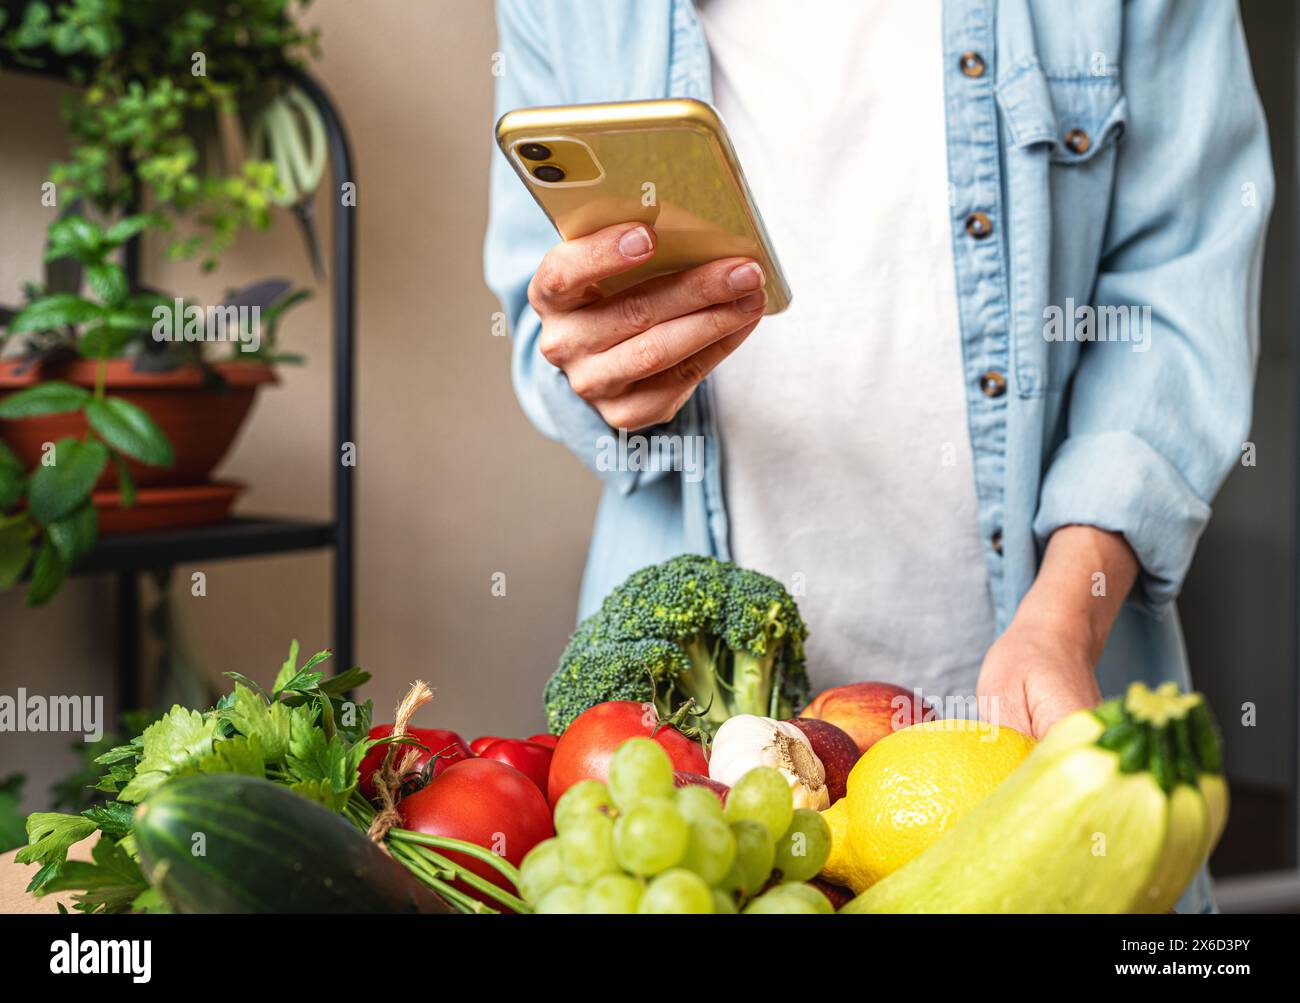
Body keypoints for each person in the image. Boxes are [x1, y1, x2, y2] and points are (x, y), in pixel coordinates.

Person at [484, 0, 1273, 913]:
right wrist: (595, 366)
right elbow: (537, 323)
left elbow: (1178, 295)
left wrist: (1065, 614)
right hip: (704, 787)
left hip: (1046, 702)